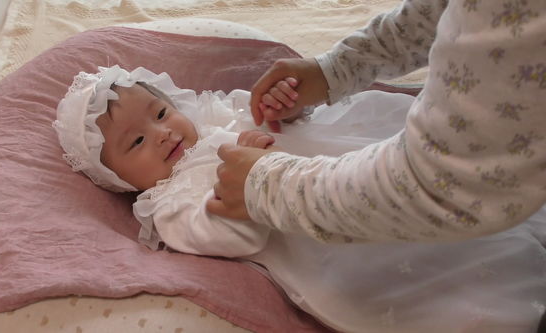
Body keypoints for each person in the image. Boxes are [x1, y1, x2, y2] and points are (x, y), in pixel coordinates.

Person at [54, 65, 545, 332]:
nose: (161, 133)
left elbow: (264, 115)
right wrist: (248, 175)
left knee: (446, 164)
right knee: (458, 268)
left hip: (351, 161)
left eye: (160, 112)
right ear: (119, 180)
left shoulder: (207, 116)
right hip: (330, 240)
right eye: (136, 142)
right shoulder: (168, 206)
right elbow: (237, 235)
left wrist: (276, 110)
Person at [207, 0, 546, 244]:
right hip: (361, 190)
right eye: (148, 137)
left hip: (388, 194)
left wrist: (270, 188)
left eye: (162, 112)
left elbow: (442, 187)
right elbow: (451, 11)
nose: (162, 133)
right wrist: (338, 68)